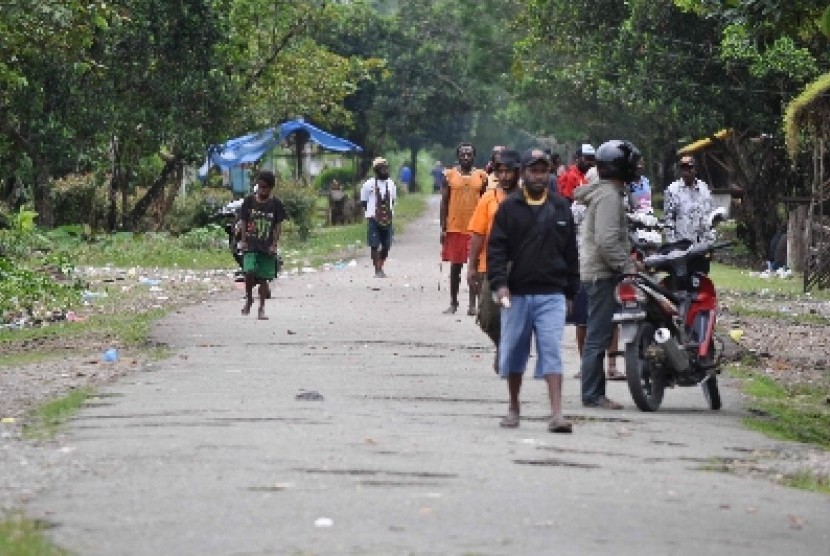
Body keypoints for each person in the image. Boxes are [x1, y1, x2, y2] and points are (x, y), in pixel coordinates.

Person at [487, 148, 579, 433]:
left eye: (543, 170)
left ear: (549, 172)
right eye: (533, 170)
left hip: (552, 293)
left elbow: (571, 253)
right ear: (523, 173)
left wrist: (570, 293)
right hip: (517, 294)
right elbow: (497, 250)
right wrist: (500, 285)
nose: (538, 175)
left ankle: (556, 414)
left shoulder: (561, 207)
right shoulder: (509, 208)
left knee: (551, 348)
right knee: (514, 349)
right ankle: (513, 408)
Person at [574, 140, 642, 409]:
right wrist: (628, 267)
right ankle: (592, 394)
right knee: (598, 337)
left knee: (597, 335)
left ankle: (593, 392)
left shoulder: (607, 193)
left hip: (596, 272)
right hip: (601, 275)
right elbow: (606, 241)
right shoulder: (610, 197)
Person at [466, 149, 522, 373]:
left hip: (522, 267)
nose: (506, 176)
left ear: (518, 172)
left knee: (515, 313)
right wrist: (471, 267)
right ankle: (503, 345)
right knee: (488, 316)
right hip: (491, 266)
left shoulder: (530, 198)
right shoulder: (488, 198)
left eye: (510, 171)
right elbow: (478, 234)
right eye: (501, 171)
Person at [440, 142, 488, 315]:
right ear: (458, 156)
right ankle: (453, 302)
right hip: (455, 227)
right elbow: (444, 202)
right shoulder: (449, 175)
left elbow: (485, 202)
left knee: (474, 267)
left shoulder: (482, 176)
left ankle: (472, 304)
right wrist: (443, 227)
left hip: (475, 228)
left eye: (469, 154)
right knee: (455, 267)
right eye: (463, 154)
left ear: (474, 156)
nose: (466, 157)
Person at [238, 170, 287, 320]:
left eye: (265, 187)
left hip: (266, 246)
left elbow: (278, 226)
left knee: (264, 279)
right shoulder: (249, 201)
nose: (261, 190)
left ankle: (261, 308)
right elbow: (244, 221)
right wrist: (243, 240)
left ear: (271, 188)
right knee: (249, 271)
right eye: (259, 186)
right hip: (251, 244)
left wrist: (274, 244)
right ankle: (249, 298)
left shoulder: (276, 204)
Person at [664, 155, 715, 244]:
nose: (686, 172)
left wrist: (711, 237)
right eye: (683, 169)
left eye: (689, 168)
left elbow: (710, 214)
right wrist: (672, 244)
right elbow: (669, 220)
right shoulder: (672, 190)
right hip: (682, 244)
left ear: (695, 169)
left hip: (703, 242)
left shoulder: (704, 188)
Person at [360, 157, 397, 278]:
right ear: (376, 170)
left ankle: (380, 264)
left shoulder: (391, 184)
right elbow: (364, 201)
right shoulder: (368, 184)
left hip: (388, 218)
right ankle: (378, 270)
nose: (385, 170)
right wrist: (371, 213)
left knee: (386, 246)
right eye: (382, 168)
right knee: (374, 245)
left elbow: (393, 200)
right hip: (373, 218)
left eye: (386, 168)